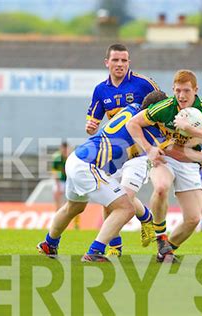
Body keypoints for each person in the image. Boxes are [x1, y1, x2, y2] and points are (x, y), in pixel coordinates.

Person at [37, 91, 202, 262]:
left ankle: (49, 243)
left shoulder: (131, 109)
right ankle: (95, 252)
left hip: (77, 158)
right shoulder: (152, 133)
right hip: (89, 166)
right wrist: (201, 156)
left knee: (73, 207)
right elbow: (175, 151)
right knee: (125, 208)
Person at [127, 69, 202, 262]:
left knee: (193, 219)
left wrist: (189, 128)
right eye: (177, 90)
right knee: (161, 188)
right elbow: (132, 124)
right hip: (163, 158)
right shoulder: (165, 107)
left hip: (188, 163)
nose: (181, 95)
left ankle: (165, 252)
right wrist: (149, 149)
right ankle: (161, 238)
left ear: (195, 90)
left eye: (186, 90)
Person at [85, 43, 160, 254]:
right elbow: (93, 125)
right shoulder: (101, 90)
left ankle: (145, 217)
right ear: (106, 62)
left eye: (124, 60)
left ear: (129, 62)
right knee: (109, 199)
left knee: (124, 198)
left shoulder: (144, 84)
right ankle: (115, 247)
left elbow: (162, 107)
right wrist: (90, 127)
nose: (120, 64)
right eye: (115, 60)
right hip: (114, 154)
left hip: (139, 153)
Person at [51, 142, 69, 210]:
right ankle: (57, 210)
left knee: (69, 198)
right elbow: (55, 171)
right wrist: (57, 184)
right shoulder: (57, 158)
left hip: (68, 180)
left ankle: (66, 211)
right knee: (56, 193)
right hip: (60, 180)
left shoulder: (70, 157)